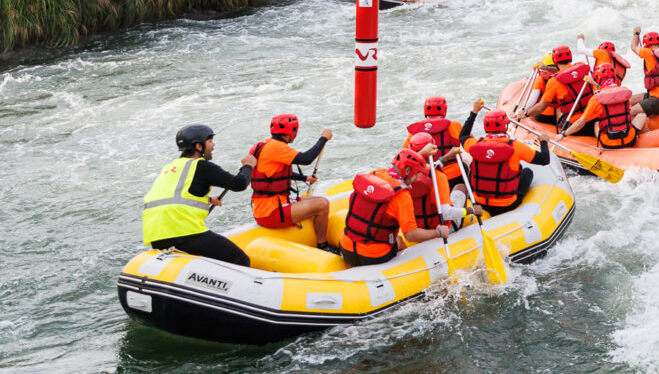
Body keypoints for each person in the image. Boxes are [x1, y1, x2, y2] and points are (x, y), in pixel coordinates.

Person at [141, 125, 257, 266]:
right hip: (182, 232)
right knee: (241, 259)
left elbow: (173, 196)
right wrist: (248, 166)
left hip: (156, 236)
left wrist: (208, 200)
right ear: (198, 146)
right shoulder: (202, 166)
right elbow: (239, 184)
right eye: (209, 141)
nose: (213, 145)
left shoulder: (170, 167)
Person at [338, 156, 454, 267]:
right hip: (374, 256)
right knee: (400, 241)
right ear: (408, 170)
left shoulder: (375, 174)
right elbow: (411, 235)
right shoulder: (402, 195)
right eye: (417, 174)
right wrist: (438, 232)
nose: (416, 179)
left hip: (345, 249)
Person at [249, 114, 333, 249]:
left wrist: (304, 178)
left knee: (317, 199)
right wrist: (323, 139)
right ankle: (322, 244)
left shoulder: (265, 145)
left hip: (265, 207)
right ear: (293, 131)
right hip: (271, 212)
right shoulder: (277, 147)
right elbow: (306, 159)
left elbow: (274, 176)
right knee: (322, 204)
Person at [564, 79, 646, 148]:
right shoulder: (624, 92)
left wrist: (564, 134)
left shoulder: (596, 99)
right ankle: (640, 137)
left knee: (596, 122)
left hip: (609, 143)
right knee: (642, 114)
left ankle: (599, 145)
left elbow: (581, 122)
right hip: (630, 140)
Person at [526, 51, 593, 128]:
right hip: (587, 116)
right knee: (560, 107)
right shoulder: (579, 70)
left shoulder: (547, 80)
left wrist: (525, 113)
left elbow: (533, 103)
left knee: (560, 108)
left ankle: (560, 129)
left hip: (545, 115)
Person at [630, 28, 659, 116]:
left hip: (658, 100)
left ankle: (638, 128)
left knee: (629, 113)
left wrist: (636, 33)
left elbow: (634, 47)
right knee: (631, 100)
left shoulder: (648, 53)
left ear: (645, 44)